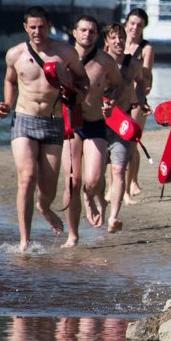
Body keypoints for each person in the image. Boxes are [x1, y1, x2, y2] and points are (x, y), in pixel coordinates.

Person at [0, 6, 88, 252]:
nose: (38, 31)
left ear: (49, 26)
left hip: (53, 121)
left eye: (42, 26)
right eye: (33, 27)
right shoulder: (14, 54)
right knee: (27, 177)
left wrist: (76, 92)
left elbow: (83, 80)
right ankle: (24, 241)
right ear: (25, 27)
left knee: (48, 187)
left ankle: (44, 207)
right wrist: (6, 103)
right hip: (24, 119)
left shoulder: (65, 52)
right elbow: (10, 80)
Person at [62, 15, 122, 243]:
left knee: (94, 180)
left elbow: (118, 85)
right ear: (74, 32)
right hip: (70, 123)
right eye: (83, 30)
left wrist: (110, 101)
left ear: (97, 36)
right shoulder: (62, 58)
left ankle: (91, 196)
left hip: (95, 122)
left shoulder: (105, 61)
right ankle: (73, 235)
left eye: (92, 31)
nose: (87, 35)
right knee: (72, 181)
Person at [102, 23, 149, 234]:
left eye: (121, 37)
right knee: (94, 179)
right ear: (106, 41)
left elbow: (142, 82)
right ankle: (99, 202)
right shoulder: (99, 64)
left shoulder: (135, 64)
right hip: (99, 123)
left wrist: (141, 99)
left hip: (122, 121)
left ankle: (113, 217)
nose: (118, 41)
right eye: (113, 38)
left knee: (119, 168)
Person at [122, 8, 154, 201]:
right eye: (132, 23)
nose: (135, 28)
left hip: (137, 100)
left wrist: (144, 90)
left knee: (131, 144)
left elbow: (146, 74)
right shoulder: (115, 43)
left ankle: (128, 186)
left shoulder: (146, 48)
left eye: (139, 25)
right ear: (126, 24)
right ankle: (122, 185)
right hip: (117, 100)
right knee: (117, 144)